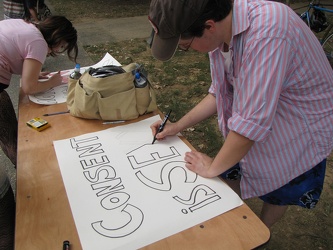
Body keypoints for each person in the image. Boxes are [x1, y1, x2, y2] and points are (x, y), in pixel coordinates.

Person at [149, 0, 333, 229]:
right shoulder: (221, 31)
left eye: (185, 46)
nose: (187, 51)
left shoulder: (268, 33)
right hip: (264, 117)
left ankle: (261, 230)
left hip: (299, 125)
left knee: (282, 184)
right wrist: (178, 126)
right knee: (236, 169)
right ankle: (240, 218)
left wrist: (213, 167)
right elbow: (220, 93)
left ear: (209, 26)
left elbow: (251, 123)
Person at [0, 15, 78, 249]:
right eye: (63, 46)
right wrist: (53, 82)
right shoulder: (39, 43)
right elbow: (29, 87)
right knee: (15, 143)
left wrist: (38, 76)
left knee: (14, 139)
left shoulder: (24, 25)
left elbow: (17, 62)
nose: (60, 51)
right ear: (58, 37)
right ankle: (32, 190)